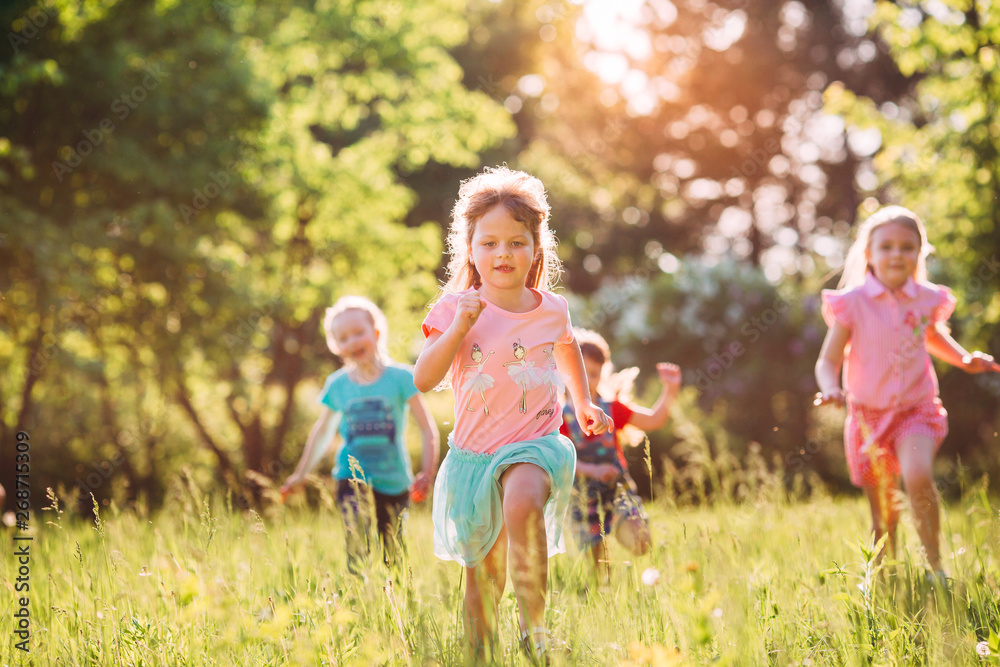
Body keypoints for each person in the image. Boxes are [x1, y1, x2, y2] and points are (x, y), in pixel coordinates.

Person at [413, 166, 612, 660]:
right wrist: (459, 327)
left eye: (517, 243)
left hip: (536, 443)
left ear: (536, 249)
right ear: (472, 249)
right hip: (476, 457)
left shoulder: (552, 308)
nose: (503, 253)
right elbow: (422, 377)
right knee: (484, 577)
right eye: (490, 243)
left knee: (523, 500)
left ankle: (535, 629)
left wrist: (582, 401)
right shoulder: (457, 307)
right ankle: (480, 650)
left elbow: (567, 350)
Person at [814, 205, 999, 580]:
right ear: (869, 254)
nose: (897, 254)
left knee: (917, 477)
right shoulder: (853, 303)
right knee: (883, 512)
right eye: (886, 247)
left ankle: (935, 567)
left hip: (917, 410)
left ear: (919, 253)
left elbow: (932, 336)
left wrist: (965, 360)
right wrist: (830, 389)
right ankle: (886, 577)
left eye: (906, 247)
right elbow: (827, 361)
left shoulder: (925, 299)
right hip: (867, 419)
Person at [281, 296, 439, 575]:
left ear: (376, 333)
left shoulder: (401, 378)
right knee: (357, 545)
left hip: (394, 480)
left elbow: (426, 428)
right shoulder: (338, 384)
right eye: (343, 338)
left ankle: (396, 607)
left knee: (393, 552)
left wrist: (427, 471)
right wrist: (300, 474)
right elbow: (322, 433)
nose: (352, 341)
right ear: (336, 347)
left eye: (358, 333)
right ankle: (357, 603)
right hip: (349, 478)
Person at [561, 328, 680, 581]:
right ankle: (604, 594)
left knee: (641, 542)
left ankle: (620, 527)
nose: (586, 380)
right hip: (582, 491)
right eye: (580, 373)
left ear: (602, 375)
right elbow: (562, 460)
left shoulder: (612, 408)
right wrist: (592, 471)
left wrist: (670, 390)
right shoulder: (558, 416)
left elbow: (654, 419)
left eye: (593, 374)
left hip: (617, 486)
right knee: (597, 560)